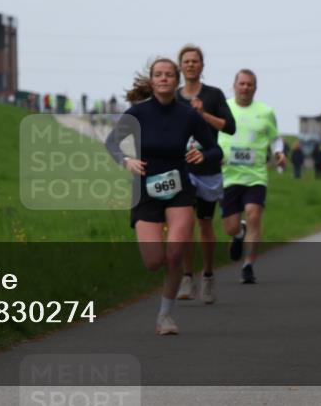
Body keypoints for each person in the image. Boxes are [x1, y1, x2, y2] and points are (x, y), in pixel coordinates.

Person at [105, 58, 220, 335]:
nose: (164, 79)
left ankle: (165, 316)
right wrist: (126, 161)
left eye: (169, 74)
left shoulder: (188, 115)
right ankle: (166, 298)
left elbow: (215, 149)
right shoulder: (139, 113)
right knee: (154, 261)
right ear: (153, 80)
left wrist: (202, 154)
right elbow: (111, 143)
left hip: (179, 188)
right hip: (145, 189)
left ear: (176, 80)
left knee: (176, 251)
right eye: (159, 75)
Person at [174, 45, 236, 304]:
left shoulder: (214, 95)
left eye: (195, 61)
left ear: (201, 66)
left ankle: (208, 276)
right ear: (180, 66)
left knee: (204, 223)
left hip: (208, 169)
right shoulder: (174, 97)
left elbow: (230, 127)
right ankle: (187, 277)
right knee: (185, 223)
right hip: (182, 169)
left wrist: (203, 115)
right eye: (186, 61)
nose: (190, 65)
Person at [218, 69, 285, 285]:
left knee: (254, 213)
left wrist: (279, 153)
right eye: (242, 84)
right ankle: (238, 234)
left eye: (250, 84)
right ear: (234, 85)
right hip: (228, 176)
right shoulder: (223, 108)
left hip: (255, 175)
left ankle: (248, 266)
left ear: (255, 88)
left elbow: (276, 138)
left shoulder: (265, 112)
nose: (245, 88)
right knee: (230, 226)